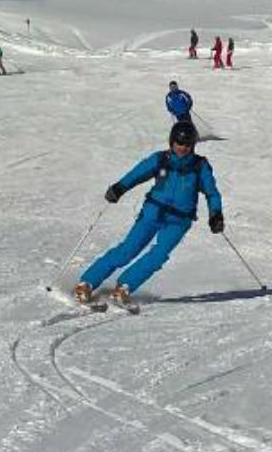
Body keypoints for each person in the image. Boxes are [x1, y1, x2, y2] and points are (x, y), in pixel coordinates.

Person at [75, 120, 225, 311]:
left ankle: (125, 287)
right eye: (179, 143)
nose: (183, 148)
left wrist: (216, 214)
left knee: (159, 255)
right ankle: (87, 282)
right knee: (128, 250)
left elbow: (212, 192)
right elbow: (137, 174)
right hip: (153, 212)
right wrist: (119, 188)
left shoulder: (199, 166)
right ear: (171, 142)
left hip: (179, 221)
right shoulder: (161, 159)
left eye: (187, 144)